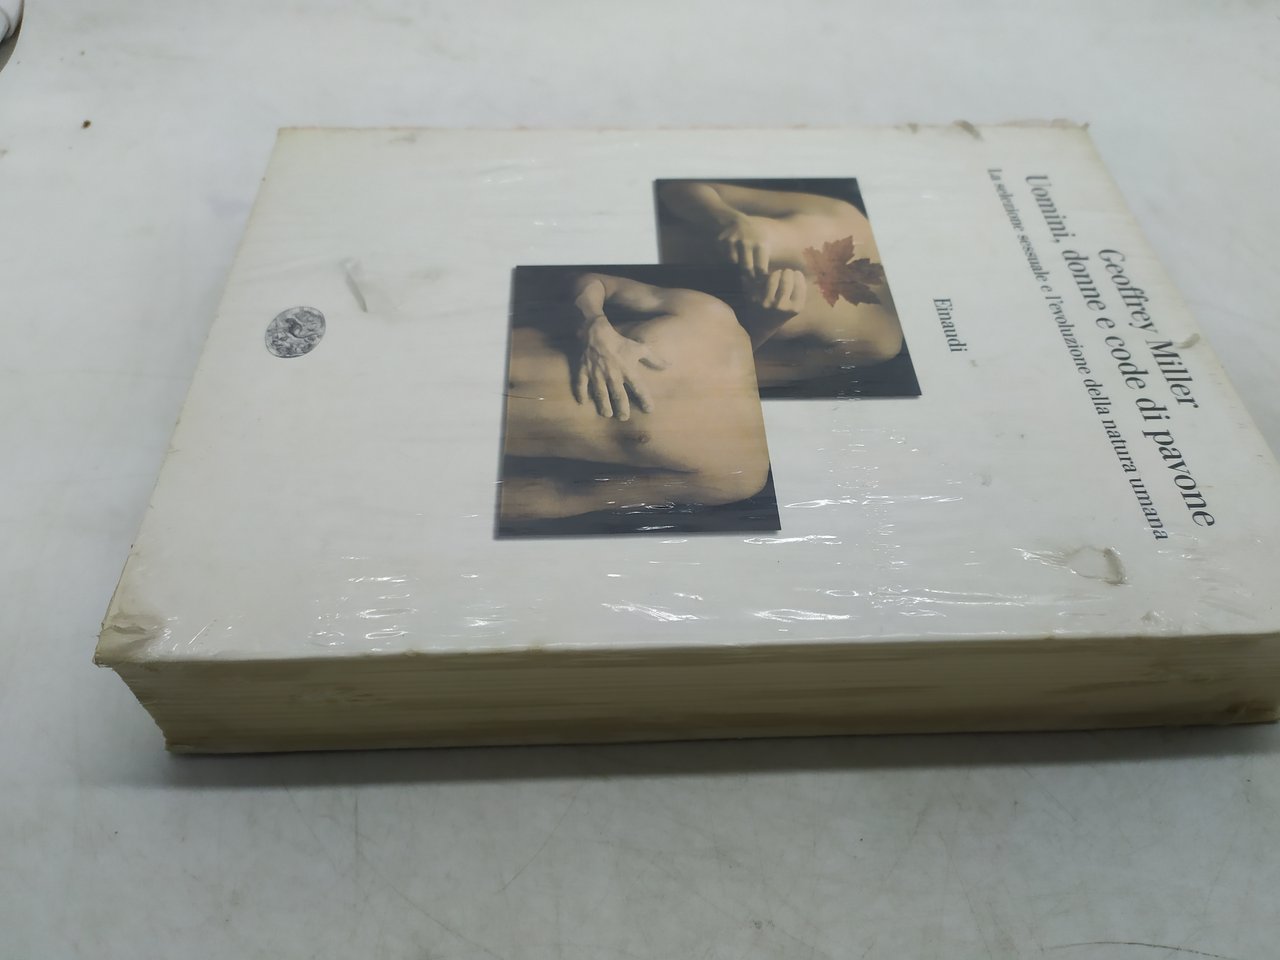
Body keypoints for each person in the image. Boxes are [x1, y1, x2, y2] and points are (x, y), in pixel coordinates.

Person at [499, 272, 779, 525]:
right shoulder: (714, 318)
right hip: (490, 350)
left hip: (490, 433)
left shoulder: (741, 476)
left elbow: (568, 498)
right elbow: (594, 283)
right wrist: (595, 323)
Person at [656, 181, 905, 390]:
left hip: (655, 326)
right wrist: (727, 219)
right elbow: (676, 189)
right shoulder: (848, 219)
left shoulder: (880, 341)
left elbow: (725, 381)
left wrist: (764, 322)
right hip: (648, 244)